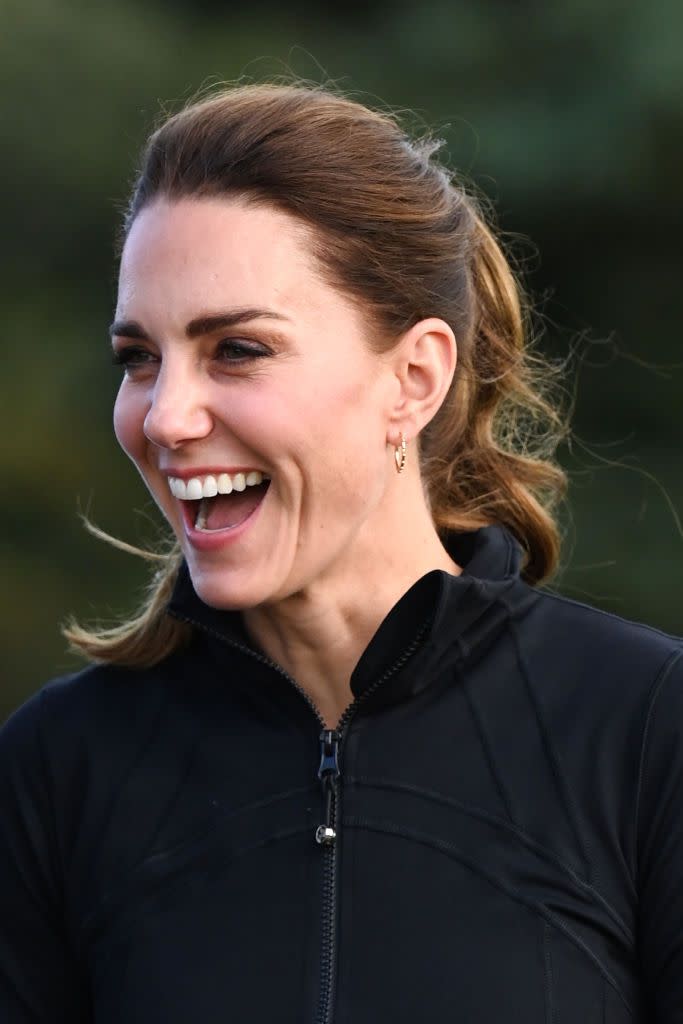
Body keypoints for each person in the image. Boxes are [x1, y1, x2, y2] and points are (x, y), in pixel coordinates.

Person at [1, 81, 681, 1023]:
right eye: (139, 358)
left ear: (413, 378)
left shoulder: (647, 729)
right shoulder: (54, 769)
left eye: (236, 349)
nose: (164, 416)